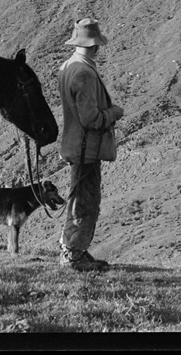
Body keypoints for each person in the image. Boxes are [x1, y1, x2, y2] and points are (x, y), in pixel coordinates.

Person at [57, 18, 123, 271]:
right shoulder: (84, 72)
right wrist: (114, 113)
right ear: (95, 46)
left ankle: (73, 250)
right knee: (85, 201)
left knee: (79, 198)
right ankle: (73, 254)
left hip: (75, 145)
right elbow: (91, 119)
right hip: (87, 148)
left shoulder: (69, 66)